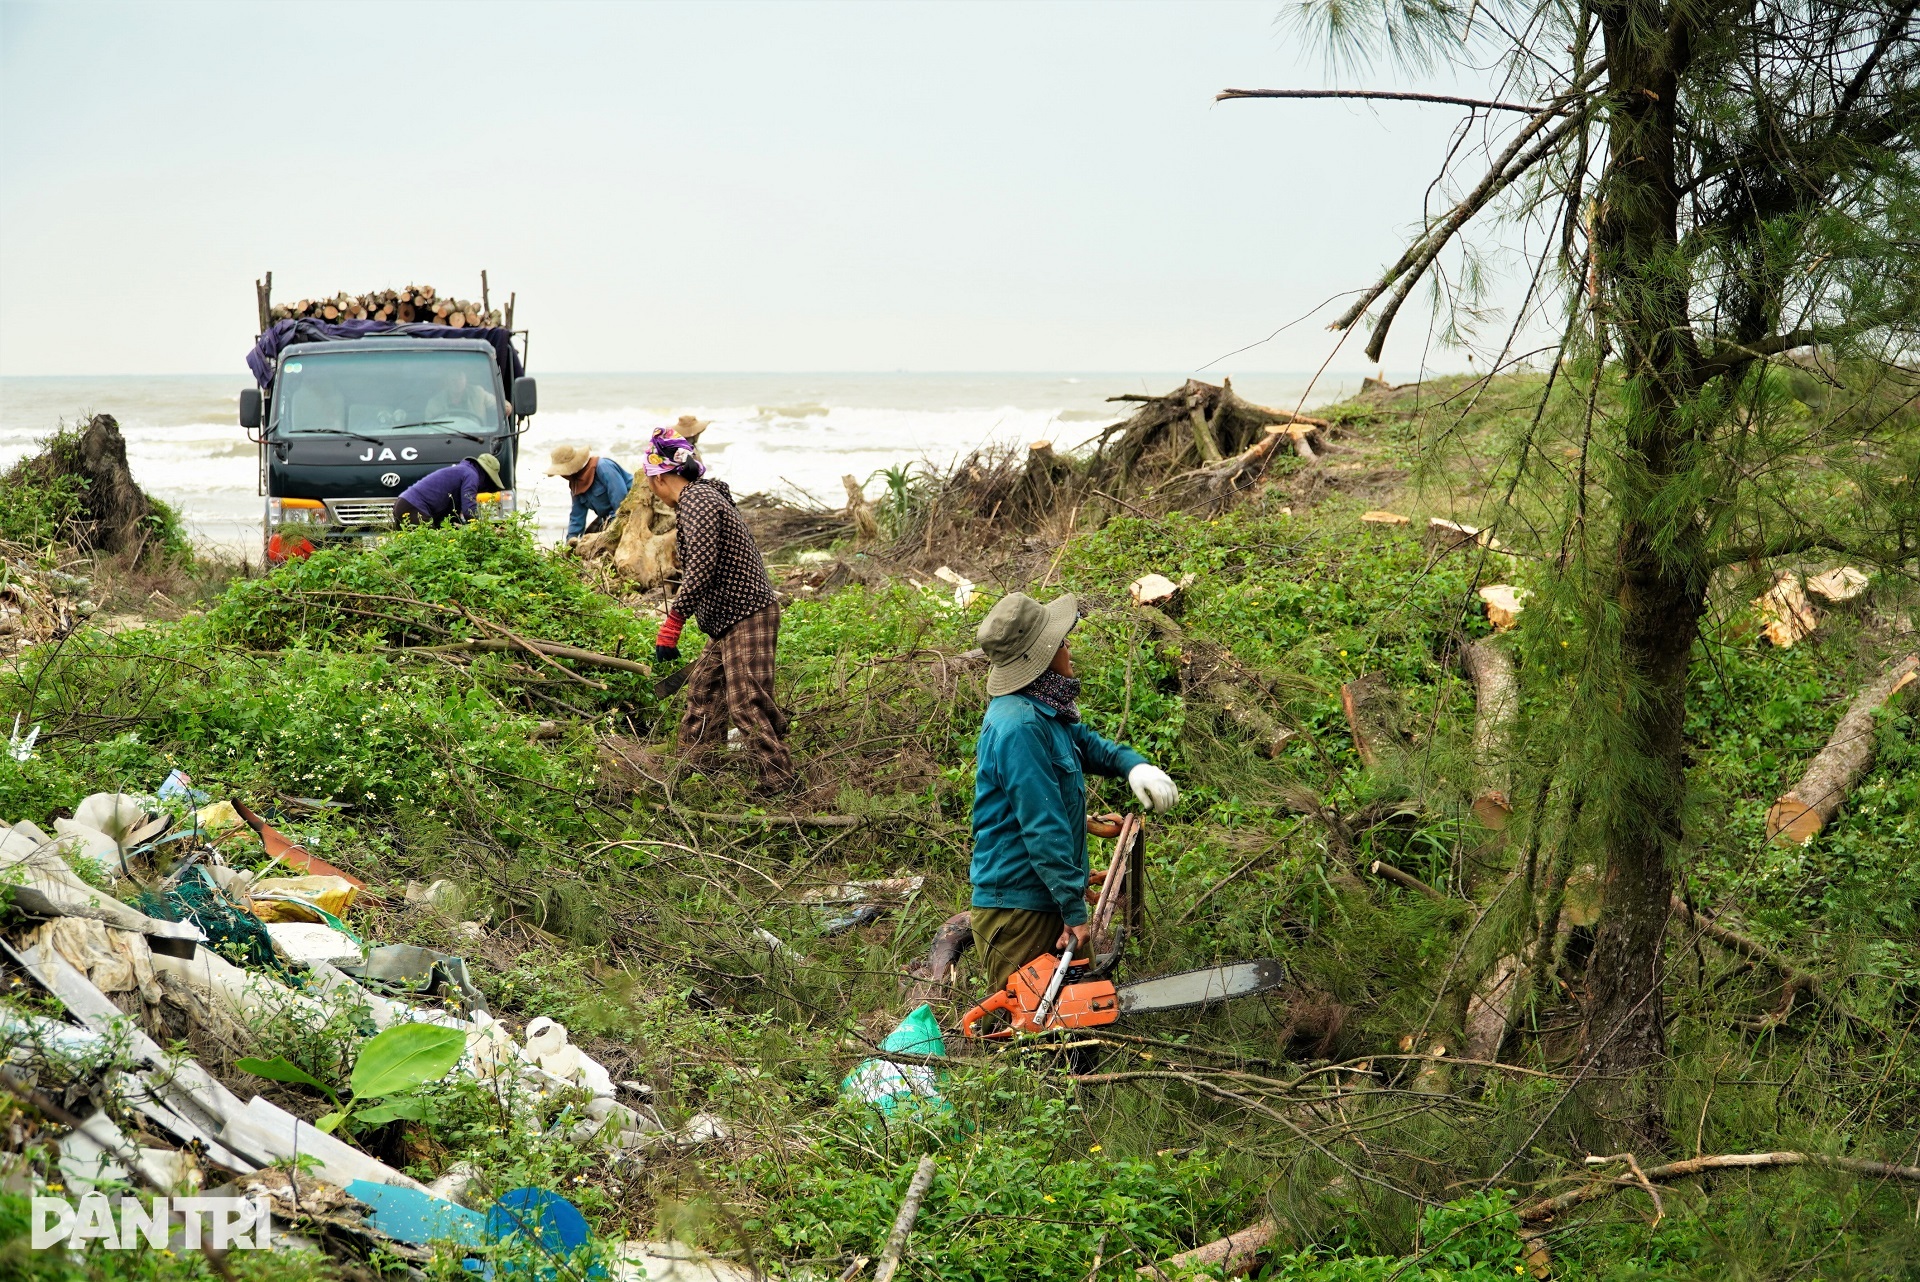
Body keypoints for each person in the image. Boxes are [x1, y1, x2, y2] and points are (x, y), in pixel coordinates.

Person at [968, 591, 1179, 992]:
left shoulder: (1042, 712)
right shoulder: (1020, 727)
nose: (1068, 648)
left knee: (1083, 1011)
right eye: (1061, 642)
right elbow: (1043, 827)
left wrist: (1133, 765)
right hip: (1021, 909)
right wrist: (1073, 909)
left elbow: (1084, 743)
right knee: (1035, 1032)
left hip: (1045, 896)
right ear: (1042, 657)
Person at [647, 427, 793, 790]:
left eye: (651, 481)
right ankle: (697, 776)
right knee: (704, 695)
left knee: (746, 702)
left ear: (661, 477)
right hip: (730, 620)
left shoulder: (696, 501)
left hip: (748, 614)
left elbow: (702, 566)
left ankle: (781, 784)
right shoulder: (701, 499)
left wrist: (674, 621)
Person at [546, 444, 633, 541]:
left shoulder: (603, 467)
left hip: (629, 510)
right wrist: (571, 540)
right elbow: (576, 518)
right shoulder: (576, 486)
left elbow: (621, 501)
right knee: (587, 541)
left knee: (600, 542)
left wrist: (612, 529)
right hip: (608, 517)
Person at [392, 453, 504, 527]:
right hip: (414, 507)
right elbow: (469, 511)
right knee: (429, 548)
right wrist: (482, 529)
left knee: (407, 552)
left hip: (403, 504)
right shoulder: (471, 475)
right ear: (485, 475)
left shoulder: (463, 471)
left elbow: (452, 516)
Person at [424, 366, 497, 422]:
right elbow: (429, 427)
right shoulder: (434, 403)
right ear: (446, 382)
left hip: (477, 439)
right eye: (453, 380)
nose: (457, 383)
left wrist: (506, 406)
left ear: (466, 379)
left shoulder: (478, 393)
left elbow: (498, 404)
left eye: (460, 378)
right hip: (445, 440)